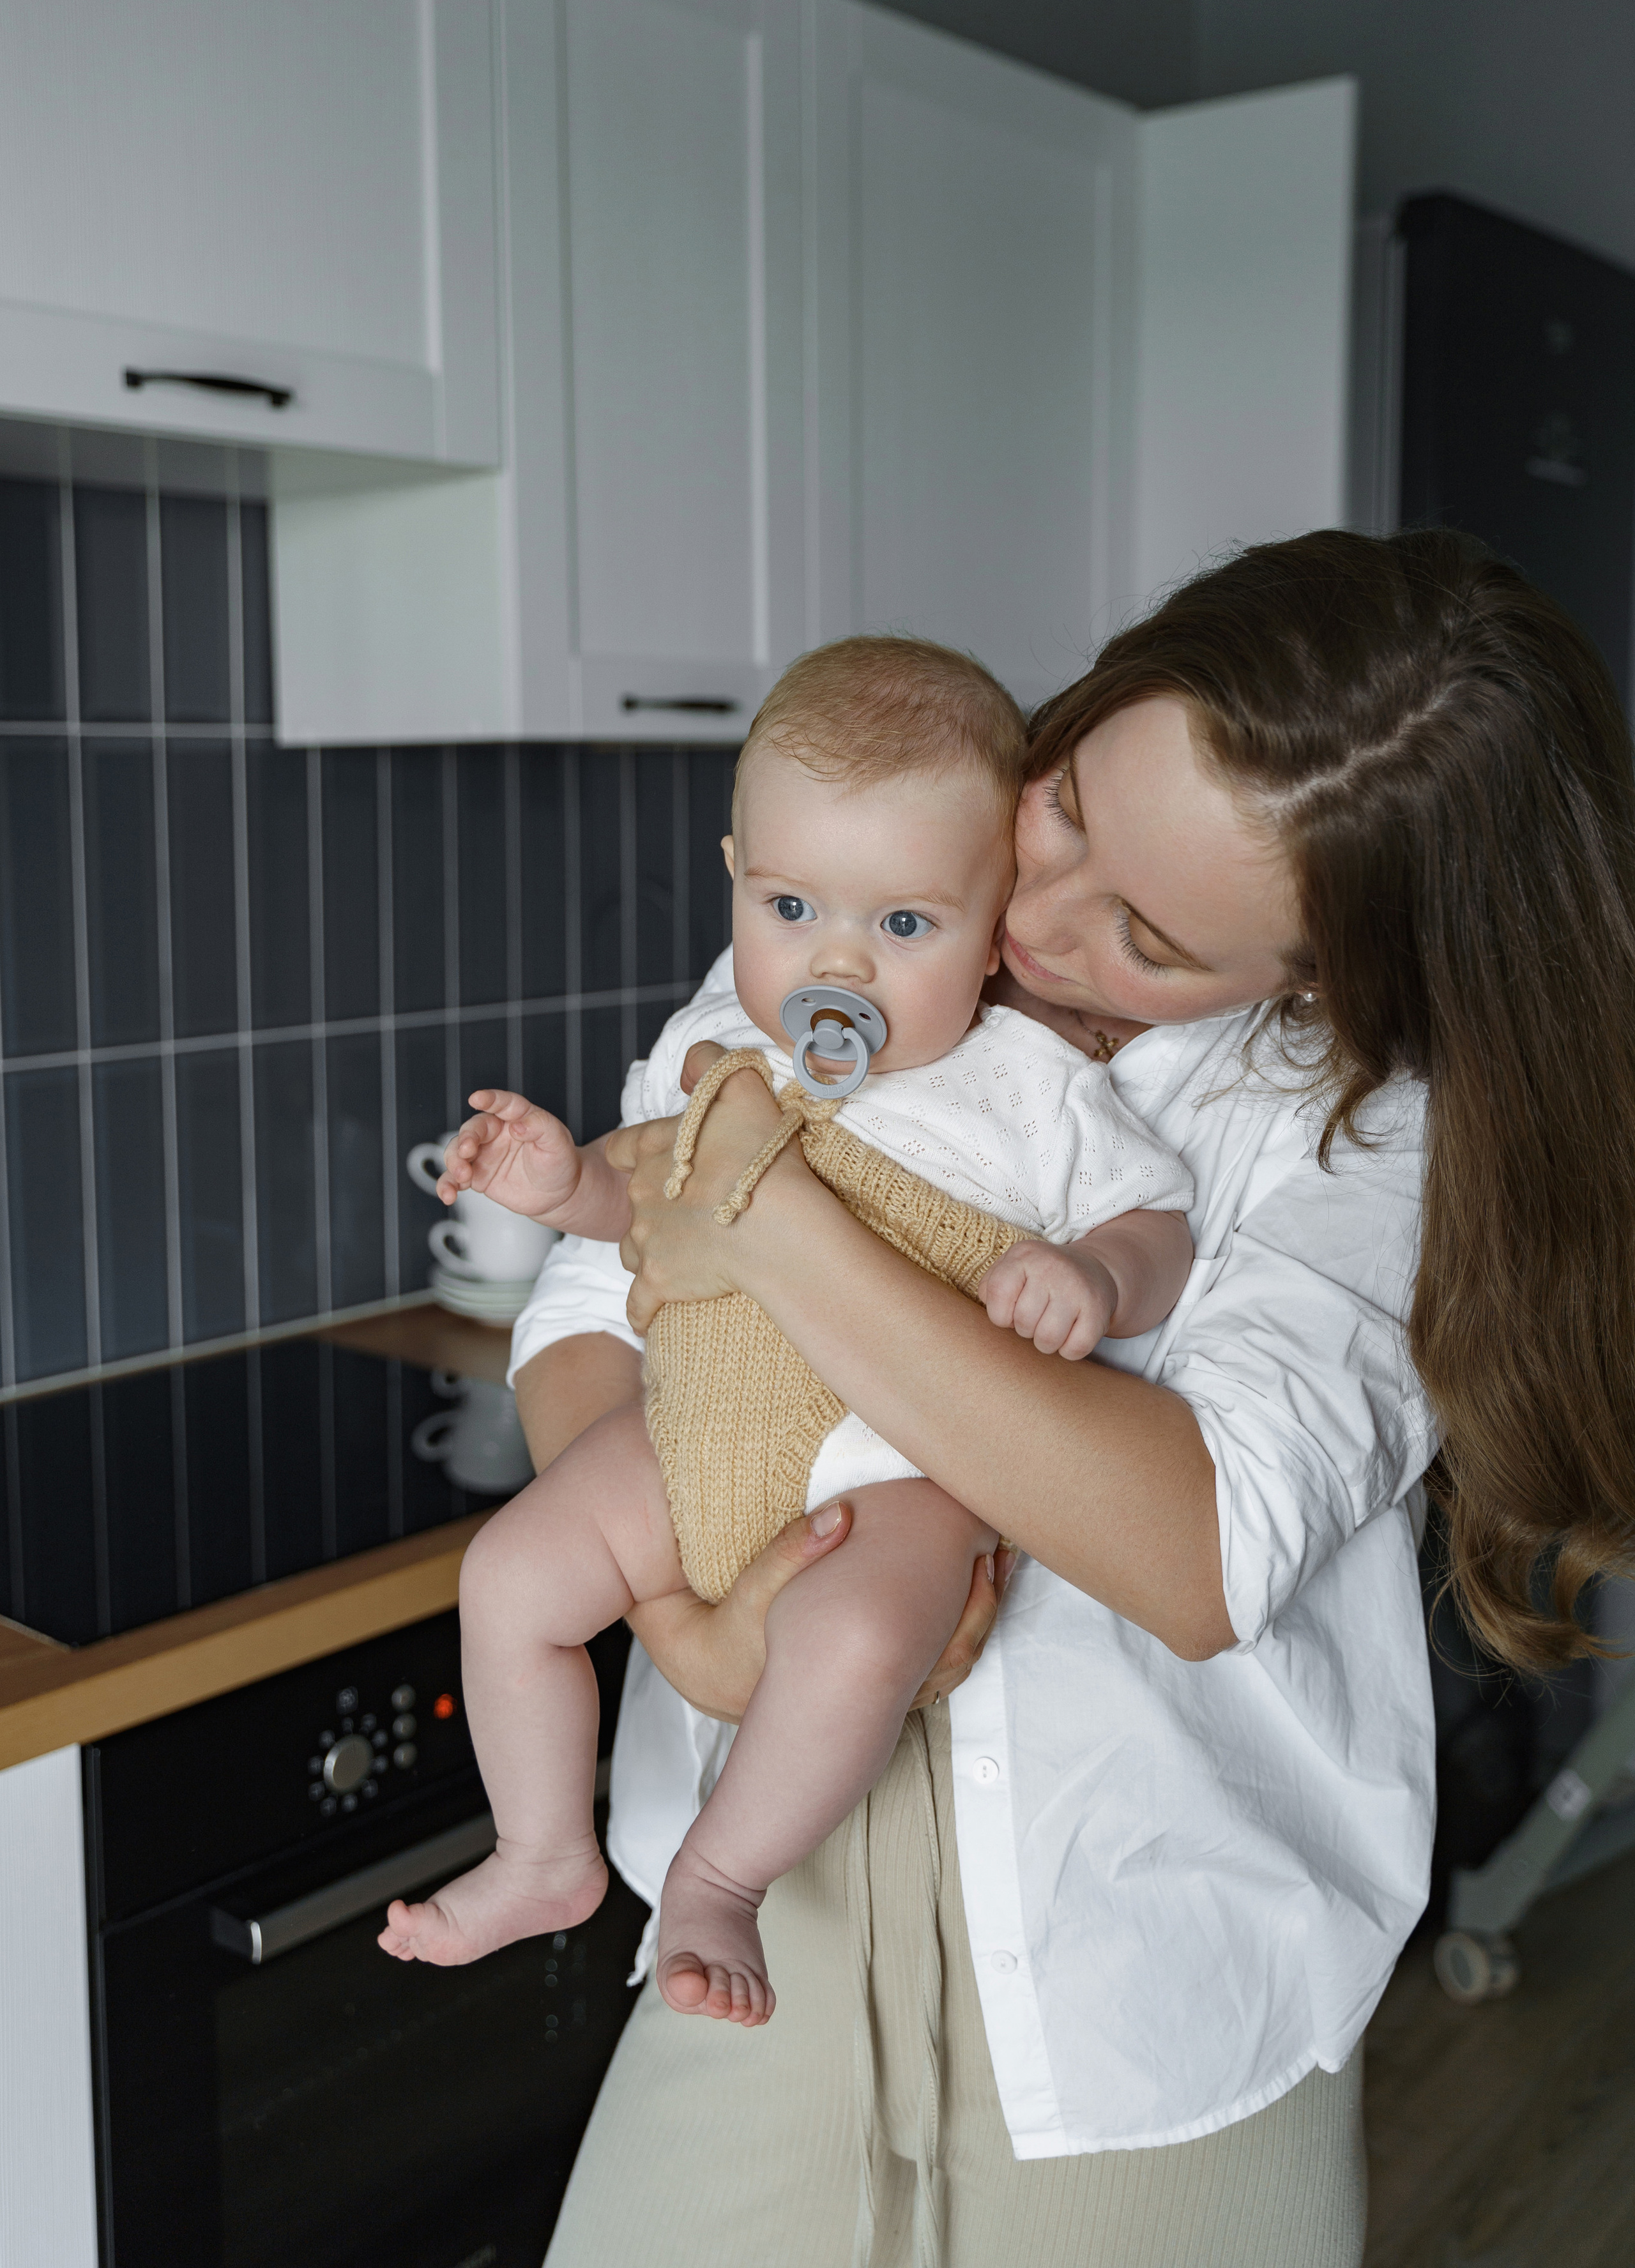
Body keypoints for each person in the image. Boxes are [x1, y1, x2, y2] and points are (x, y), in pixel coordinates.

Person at [504, 528, 1635, 2268]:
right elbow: (600, 1303)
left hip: (1140, 2001)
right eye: (1070, 813)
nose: (1027, 926)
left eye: (1151, 937)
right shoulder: (870, 929)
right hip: (764, 1908)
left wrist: (783, 1221)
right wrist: (678, 1600)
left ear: (1315, 978)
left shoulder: (1364, 1130)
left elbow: (1192, 1544)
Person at [380, 640, 1194, 2027]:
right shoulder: (724, 1044)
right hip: (689, 1431)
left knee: (860, 1642)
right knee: (513, 1574)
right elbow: (633, 1189)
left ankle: (720, 1876)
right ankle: (542, 1852)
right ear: (735, 873)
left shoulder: (1026, 1084)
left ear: (996, 923)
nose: (833, 962)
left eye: (902, 927)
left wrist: (1098, 1279)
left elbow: (1156, 1220)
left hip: (892, 1472)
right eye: (791, 904)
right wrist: (555, 1177)